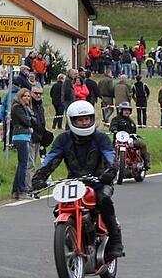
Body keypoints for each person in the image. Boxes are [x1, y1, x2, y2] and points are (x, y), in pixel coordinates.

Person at [30, 101, 123, 260]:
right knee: (59, 208)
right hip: (74, 181)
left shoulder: (100, 138)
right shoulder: (63, 139)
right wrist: (40, 176)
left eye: (87, 119)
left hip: (99, 180)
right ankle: (69, 238)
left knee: (104, 200)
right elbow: (52, 159)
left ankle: (115, 240)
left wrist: (110, 171)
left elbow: (110, 156)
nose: (84, 122)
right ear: (72, 120)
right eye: (80, 120)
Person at [9, 89, 36, 200]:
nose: (27, 98)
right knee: (23, 164)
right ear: (20, 96)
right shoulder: (17, 107)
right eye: (24, 96)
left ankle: (16, 190)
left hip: (25, 136)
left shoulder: (26, 108)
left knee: (21, 164)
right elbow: (26, 121)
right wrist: (31, 120)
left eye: (28, 96)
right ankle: (21, 190)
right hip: (21, 136)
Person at [109, 102, 151, 169]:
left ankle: (146, 162)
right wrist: (114, 130)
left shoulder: (131, 122)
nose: (127, 112)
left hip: (130, 140)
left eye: (128, 110)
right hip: (118, 141)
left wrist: (135, 136)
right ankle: (108, 167)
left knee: (142, 144)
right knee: (107, 150)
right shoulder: (116, 119)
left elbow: (134, 131)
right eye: (125, 110)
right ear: (121, 110)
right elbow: (112, 126)